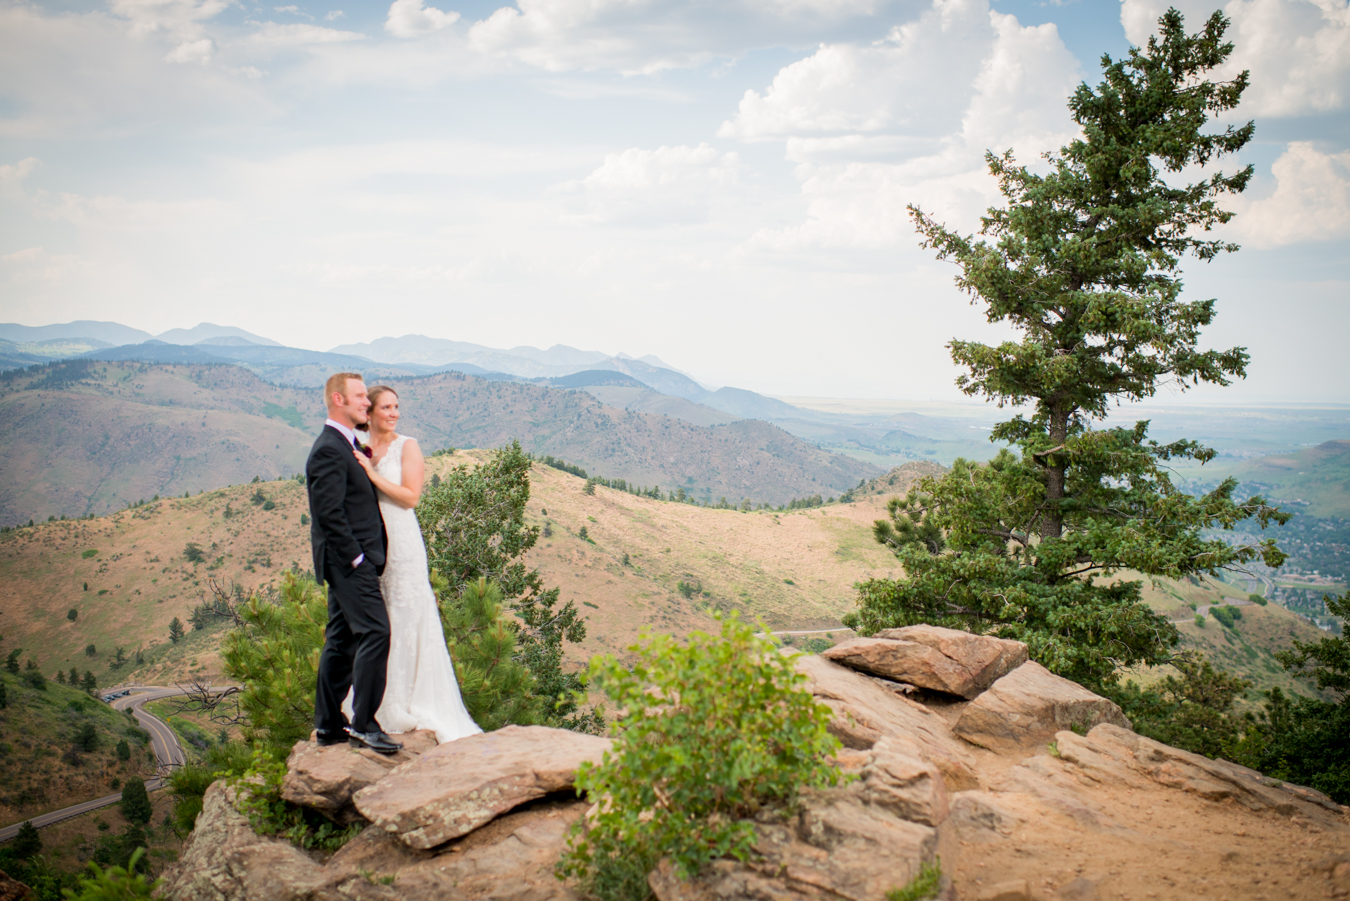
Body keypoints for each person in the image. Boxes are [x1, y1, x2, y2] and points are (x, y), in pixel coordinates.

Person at [347, 384, 482, 744]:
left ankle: (402, 702)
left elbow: (411, 497)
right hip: (368, 543)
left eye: (396, 407)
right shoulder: (358, 445)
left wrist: (373, 475)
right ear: (370, 412)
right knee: (379, 620)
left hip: (402, 541)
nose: (394, 413)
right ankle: (369, 702)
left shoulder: (408, 446)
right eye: (386, 407)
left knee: (405, 613)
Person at [306, 372, 402, 754]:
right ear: (338, 400)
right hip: (349, 562)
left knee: (342, 641)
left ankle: (329, 725)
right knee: (376, 632)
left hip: (350, 561)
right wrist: (357, 558)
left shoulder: (346, 445)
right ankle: (364, 724)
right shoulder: (329, 448)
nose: (367, 402)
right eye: (361, 397)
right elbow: (327, 514)